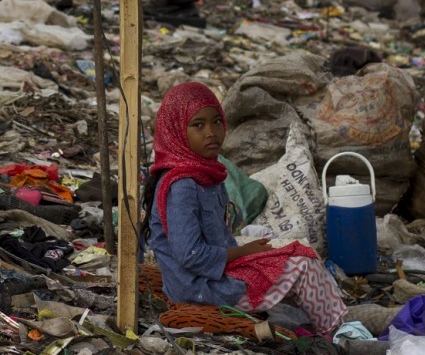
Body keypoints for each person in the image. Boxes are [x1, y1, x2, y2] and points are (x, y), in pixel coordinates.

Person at [142, 82, 348, 334]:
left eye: (217, 122)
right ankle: (339, 335)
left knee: (297, 252)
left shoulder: (206, 173)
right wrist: (242, 252)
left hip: (213, 275)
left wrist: (245, 250)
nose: (211, 132)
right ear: (175, 131)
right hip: (199, 289)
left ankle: (328, 324)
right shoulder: (182, 185)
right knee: (303, 265)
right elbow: (190, 255)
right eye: (198, 125)